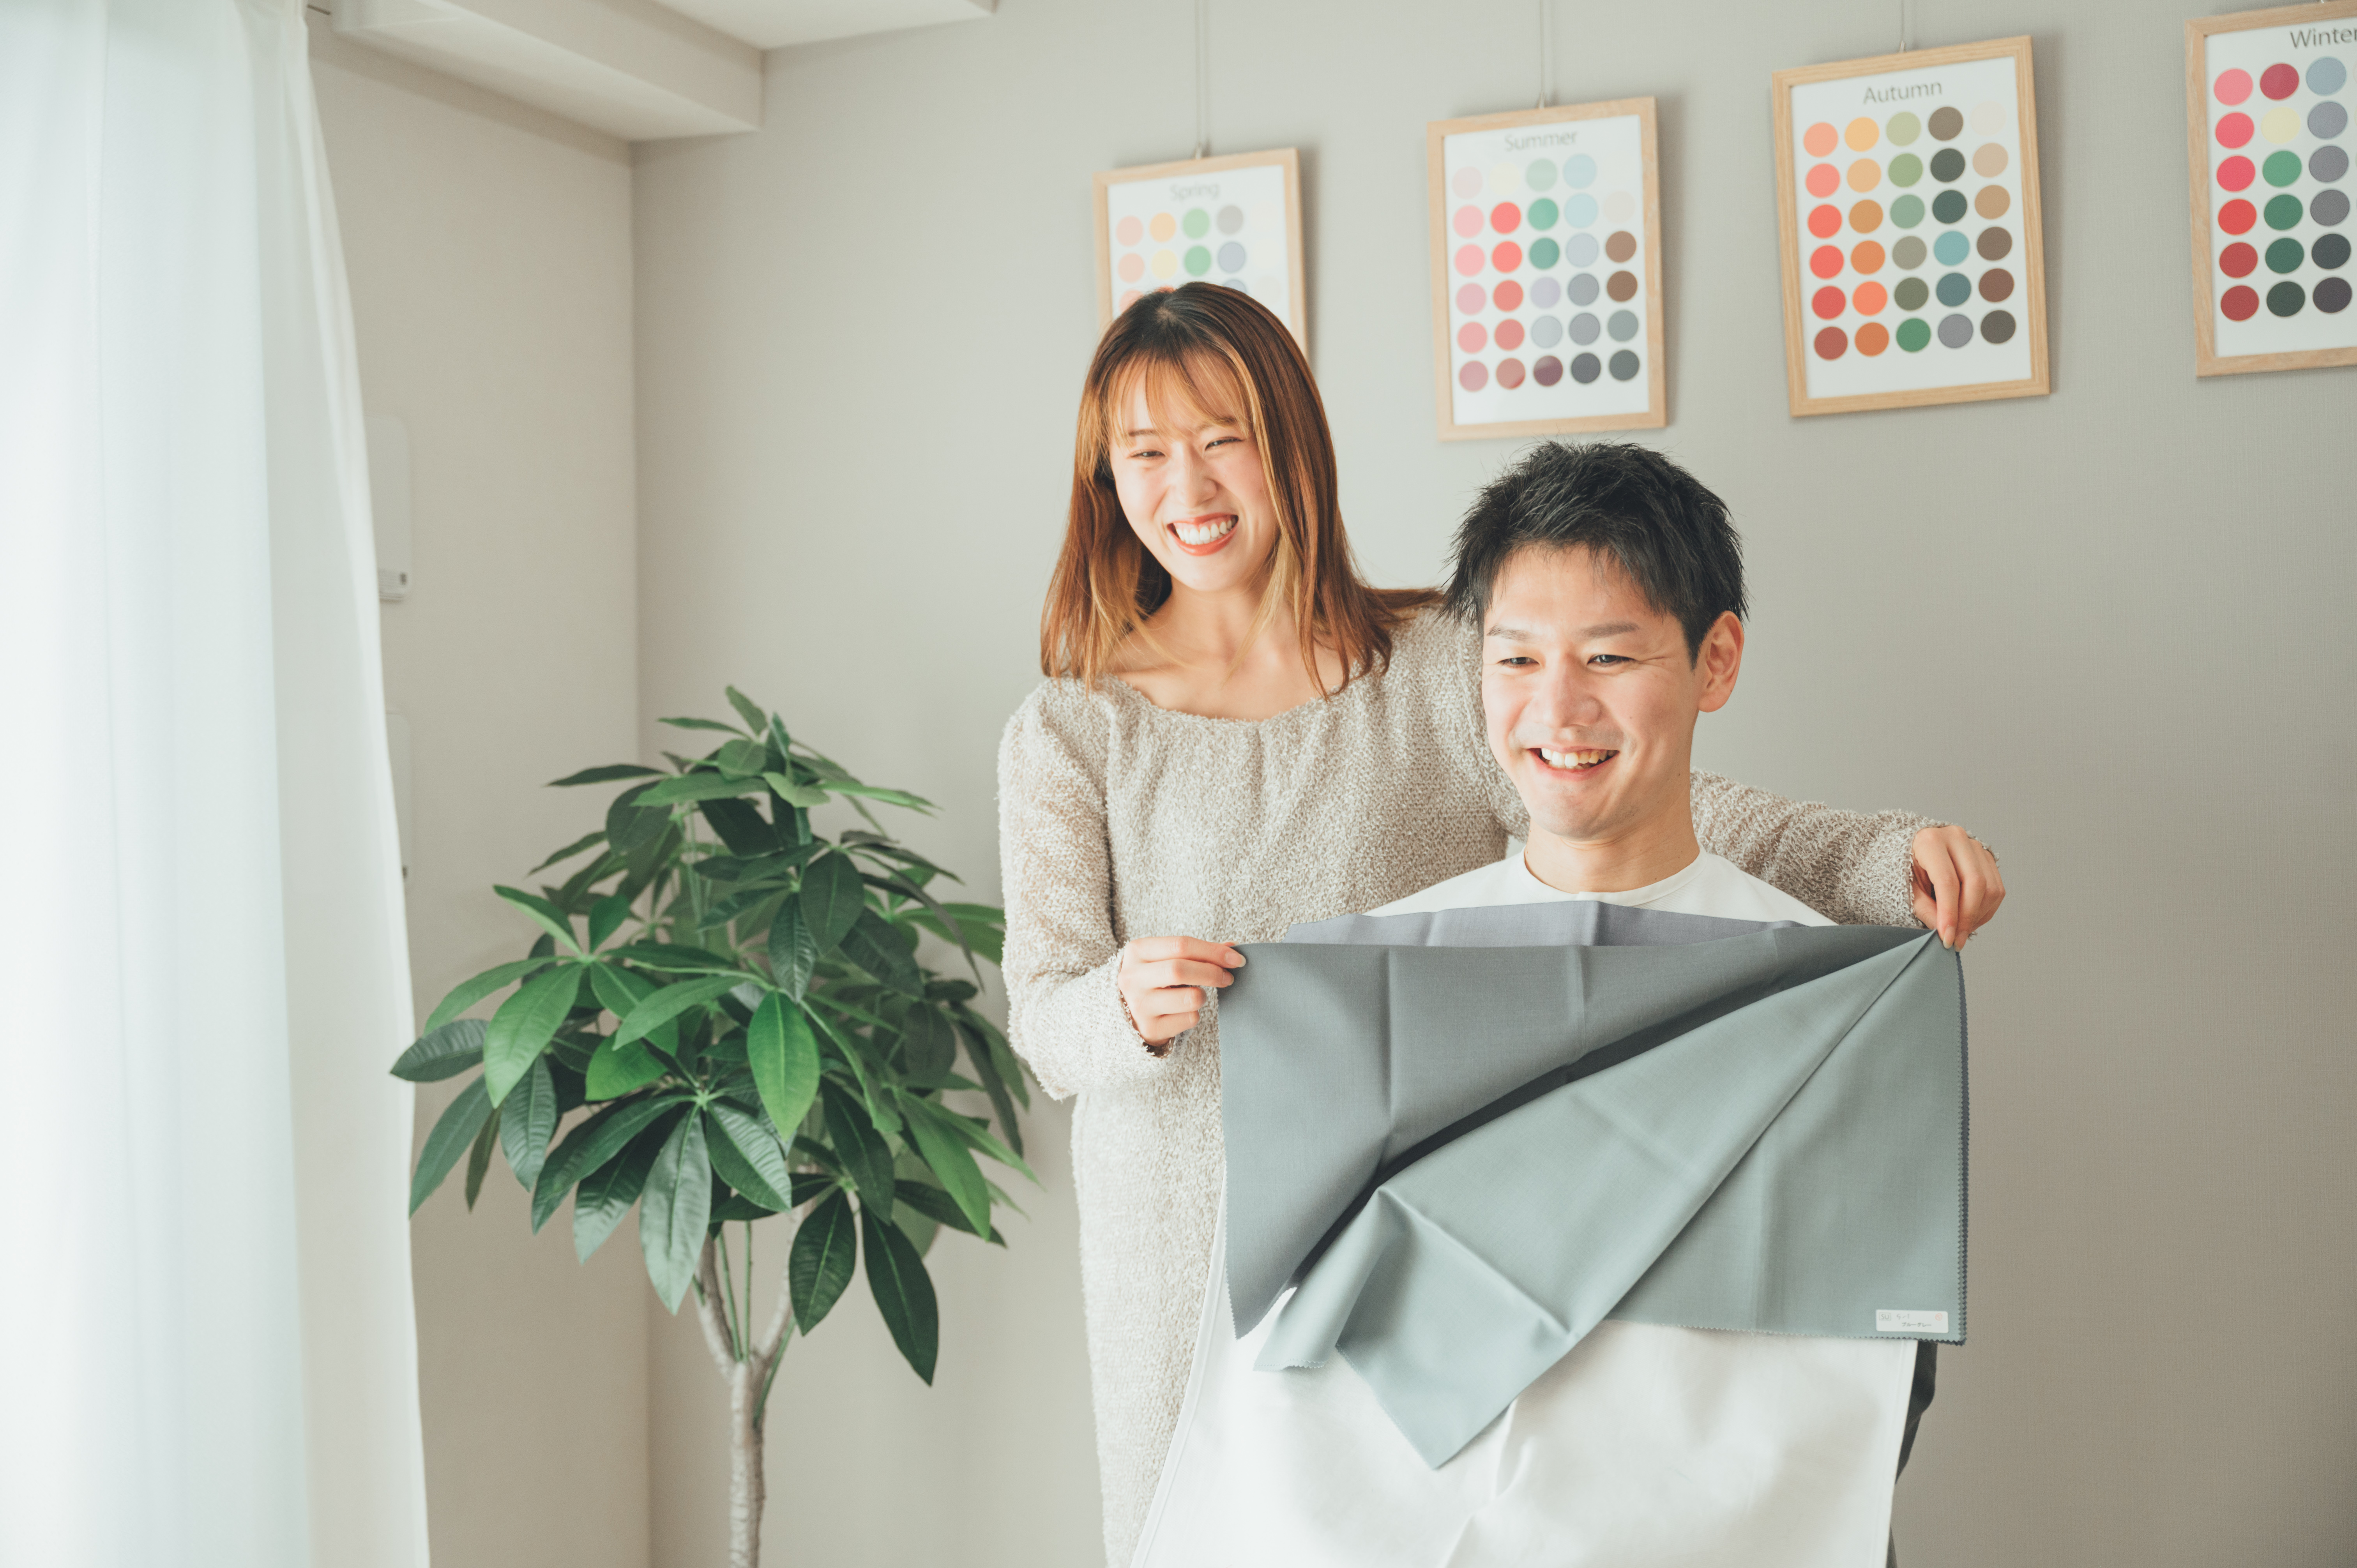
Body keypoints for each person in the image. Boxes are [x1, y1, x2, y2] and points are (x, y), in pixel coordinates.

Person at [996, 283, 2002, 1566]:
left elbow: (1636, 798)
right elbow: (1043, 1014)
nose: (1185, 485)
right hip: (1178, 1223)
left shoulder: (1435, 662)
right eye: (1143, 454)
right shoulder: (1073, 728)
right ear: (1105, 480)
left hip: (1432, 1208)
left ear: (1290, 443)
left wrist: (1873, 858)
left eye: (1222, 438)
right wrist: (1124, 1007)